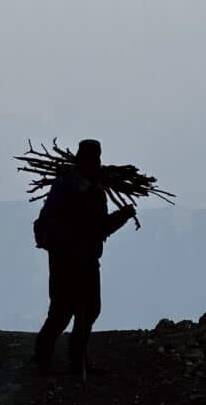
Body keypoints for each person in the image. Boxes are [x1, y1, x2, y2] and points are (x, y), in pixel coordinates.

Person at [33, 139, 136, 375]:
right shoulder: (74, 189)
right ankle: (53, 357)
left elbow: (99, 228)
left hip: (81, 259)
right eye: (94, 158)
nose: (96, 162)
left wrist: (122, 216)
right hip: (69, 259)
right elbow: (98, 228)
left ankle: (68, 360)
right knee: (68, 310)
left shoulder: (85, 188)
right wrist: (122, 216)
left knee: (81, 310)